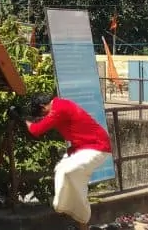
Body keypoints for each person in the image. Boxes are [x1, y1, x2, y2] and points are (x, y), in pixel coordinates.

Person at [11, 94, 112, 230]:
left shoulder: (59, 109)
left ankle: (73, 211)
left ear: (43, 107)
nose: (45, 116)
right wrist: (25, 116)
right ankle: (67, 210)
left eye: (42, 113)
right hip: (81, 148)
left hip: (97, 146)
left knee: (68, 172)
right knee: (60, 170)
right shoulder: (59, 105)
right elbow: (40, 120)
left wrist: (21, 118)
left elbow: (36, 129)